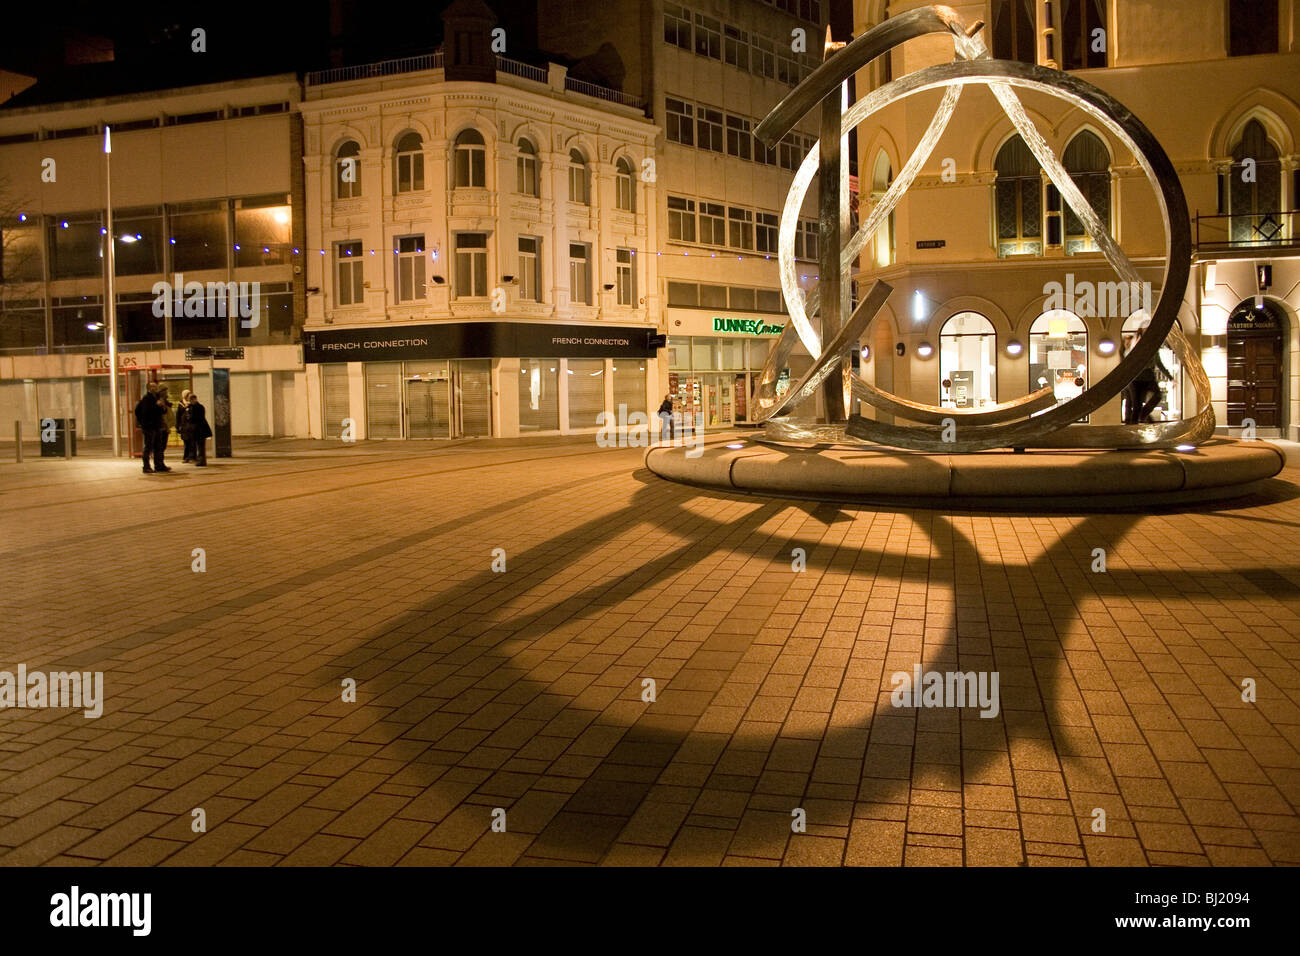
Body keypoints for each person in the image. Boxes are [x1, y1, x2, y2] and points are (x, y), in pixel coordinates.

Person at [1123, 324, 1172, 425]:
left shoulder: (1153, 346)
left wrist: (1170, 378)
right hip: (1136, 378)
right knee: (1137, 405)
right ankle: (1133, 425)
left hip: (1148, 376)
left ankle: (1143, 415)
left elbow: (1159, 363)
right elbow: (1129, 358)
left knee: (1157, 395)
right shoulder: (1135, 344)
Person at [133, 382, 168, 473]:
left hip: (157, 426)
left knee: (158, 447)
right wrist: (143, 422)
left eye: (155, 386)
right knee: (148, 446)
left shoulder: (156, 398)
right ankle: (146, 466)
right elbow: (142, 411)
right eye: (152, 386)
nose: (155, 388)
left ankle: (159, 465)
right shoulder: (146, 399)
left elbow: (162, 412)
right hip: (149, 427)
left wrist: (163, 407)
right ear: (149, 388)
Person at [186, 391, 212, 466]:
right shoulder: (191, 407)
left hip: (200, 429)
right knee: (198, 445)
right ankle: (200, 459)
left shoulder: (198, 407)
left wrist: (189, 416)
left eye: (191, 400)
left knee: (201, 446)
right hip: (196, 430)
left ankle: (202, 460)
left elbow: (196, 417)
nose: (191, 401)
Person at [155, 385, 175, 470]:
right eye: (165, 391)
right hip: (161, 428)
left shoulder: (166, 402)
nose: (166, 393)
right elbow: (162, 415)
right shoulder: (158, 402)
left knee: (162, 447)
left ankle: (161, 464)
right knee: (159, 447)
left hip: (165, 428)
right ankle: (158, 465)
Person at [177, 389, 195, 463]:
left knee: (192, 442)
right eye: (188, 395)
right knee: (186, 443)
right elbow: (178, 416)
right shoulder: (181, 404)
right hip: (184, 426)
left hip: (191, 426)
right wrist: (178, 426)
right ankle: (186, 457)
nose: (189, 396)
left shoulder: (192, 403)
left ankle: (192, 457)